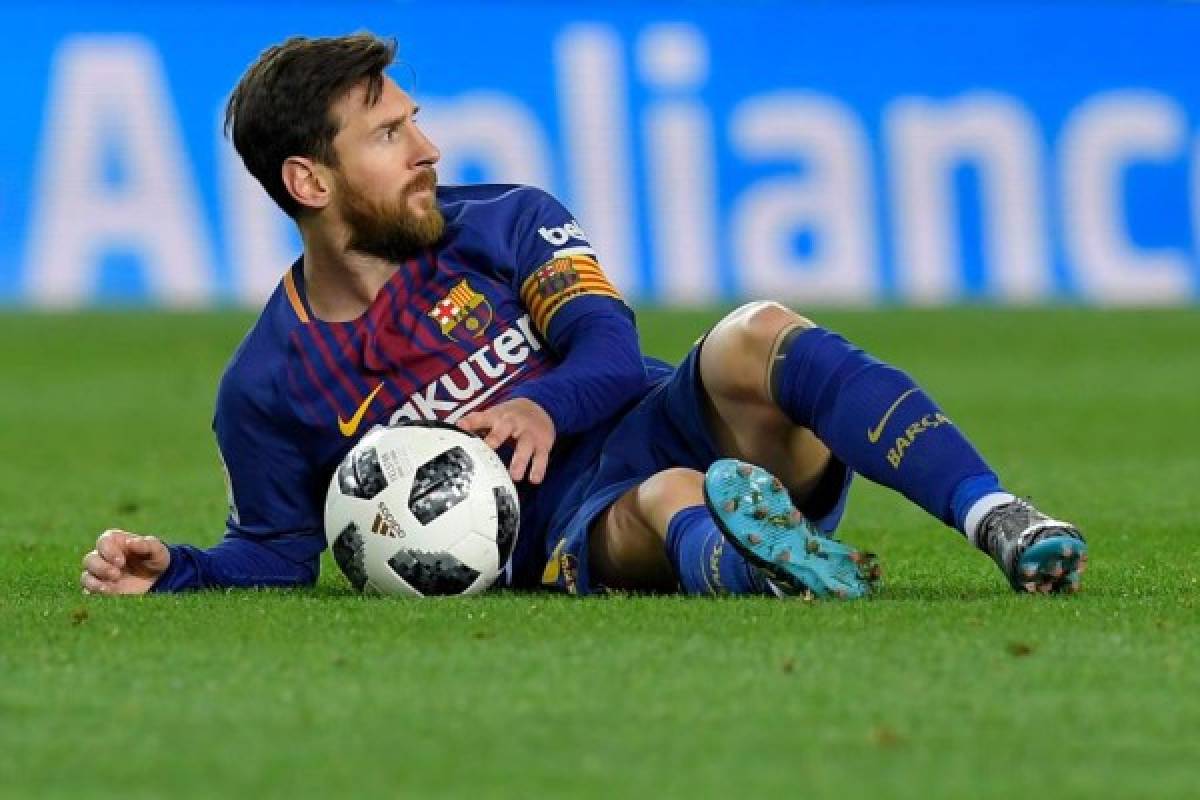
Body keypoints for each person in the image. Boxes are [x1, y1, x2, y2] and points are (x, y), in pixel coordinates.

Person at [79, 33, 1087, 600]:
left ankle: (998, 517)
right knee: (668, 497)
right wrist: (178, 569)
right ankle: (755, 563)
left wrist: (544, 408)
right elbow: (280, 546)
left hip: (658, 410)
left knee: (753, 331)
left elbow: (605, 342)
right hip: (563, 527)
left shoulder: (508, 219)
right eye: (389, 133)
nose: (426, 146)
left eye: (415, 117)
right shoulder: (267, 384)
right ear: (309, 179)